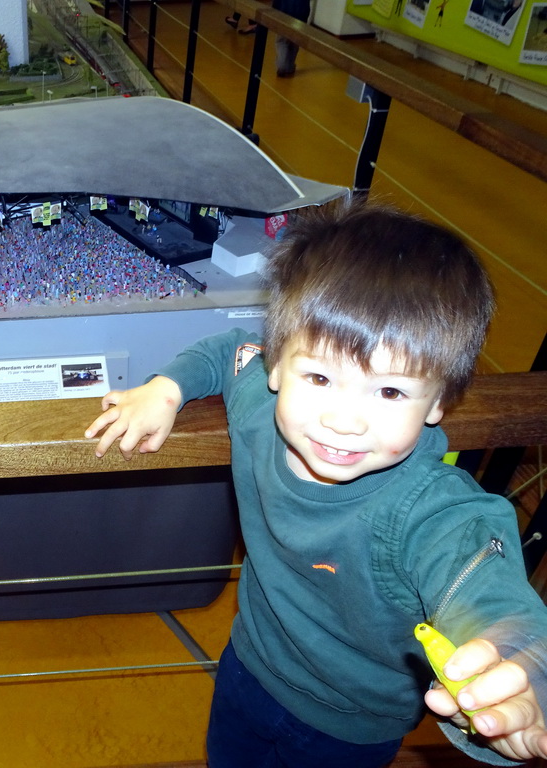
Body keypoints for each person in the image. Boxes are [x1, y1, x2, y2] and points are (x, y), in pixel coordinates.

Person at [85, 202, 547, 767]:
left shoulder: (429, 511)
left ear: (439, 404)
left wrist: (526, 674)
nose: (345, 420)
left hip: (351, 728)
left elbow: (489, 594)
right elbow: (229, 352)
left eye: (391, 392)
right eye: (322, 377)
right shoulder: (262, 400)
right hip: (249, 668)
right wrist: (166, 387)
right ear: (278, 368)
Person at [273, 0, 312, 76]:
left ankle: (282, 67)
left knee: (281, 41)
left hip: (284, 12)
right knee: (294, 42)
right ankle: (290, 67)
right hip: (301, 14)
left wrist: (274, 10)